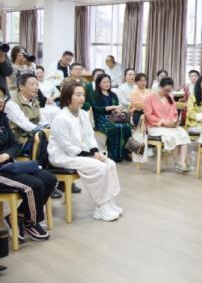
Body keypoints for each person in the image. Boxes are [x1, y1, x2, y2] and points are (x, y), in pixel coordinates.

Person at [48, 81, 123, 222]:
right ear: (68, 97)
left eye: (83, 95)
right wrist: (91, 156)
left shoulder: (83, 113)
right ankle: (101, 207)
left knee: (110, 164)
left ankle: (109, 202)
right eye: (77, 95)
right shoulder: (61, 118)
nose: (82, 98)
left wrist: (95, 151)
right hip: (63, 156)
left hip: (81, 153)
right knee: (101, 168)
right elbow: (68, 147)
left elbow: (89, 136)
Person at [0, 86, 57, 241]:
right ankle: (31, 221)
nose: (0, 101)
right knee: (34, 185)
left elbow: (15, 145)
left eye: (2, 97)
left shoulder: (3, 118)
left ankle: (19, 216)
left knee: (49, 179)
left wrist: (6, 155)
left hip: (9, 164)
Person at [143, 77, 192, 173]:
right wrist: (162, 121)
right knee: (171, 137)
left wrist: (174, 121)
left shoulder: (170, 99)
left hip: (170, 126)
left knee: (183, 134)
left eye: (169, 91)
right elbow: (148, 115)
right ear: (159, 87)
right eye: (165, 90)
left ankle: (181, 162)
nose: (166, 92)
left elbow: (175, 114)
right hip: (155, 126)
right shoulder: (149, 99)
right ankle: (179, 163)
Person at [90, 74, 132, 162]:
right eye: (104, 82)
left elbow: (116, 107)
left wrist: (118, 110)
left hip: (113, 117)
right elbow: (96, 109)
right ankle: (113, 155)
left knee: (127, 126)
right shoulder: (94, 95)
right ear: (99, 84)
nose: (107, 84)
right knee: (114, 127)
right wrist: (111, 107)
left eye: (108, 82)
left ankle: (126, 153)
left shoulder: (113, 95)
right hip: (101, 118)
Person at [5, 74, 49, 156]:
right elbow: (24, 124)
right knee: (48, 146)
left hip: (34, 136)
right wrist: (44, 131)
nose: (36, 87)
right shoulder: (12, 103)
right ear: (21, 86)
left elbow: (42, 119)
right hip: (19, 140)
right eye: (32, 84)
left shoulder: (34, 99)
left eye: (37, 84)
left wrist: (49, 128)